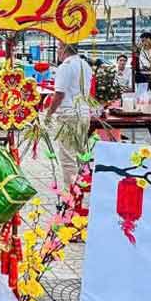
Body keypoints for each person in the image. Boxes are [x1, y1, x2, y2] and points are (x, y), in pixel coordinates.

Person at [43, 43, 92, 193]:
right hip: (84, 113)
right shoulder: (85, 65)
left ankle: (70, 193)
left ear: (64, 48)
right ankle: (80, 187)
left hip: (68, 114)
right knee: (80, 154)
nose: (57, 51)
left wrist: (49, 113)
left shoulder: (65, 66)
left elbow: (59, 94)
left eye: (59, 48)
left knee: (67, 156)